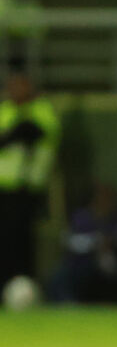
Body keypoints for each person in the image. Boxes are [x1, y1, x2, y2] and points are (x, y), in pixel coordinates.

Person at [0, 71, 59, 289]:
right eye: (12, 86)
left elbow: (30, 131)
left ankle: (23, 287)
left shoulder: (42, 109)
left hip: (26, 189)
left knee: (21, 241)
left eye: (21, 85)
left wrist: (10, 135)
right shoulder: (4, 110)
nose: (16, 90)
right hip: (3, 188)